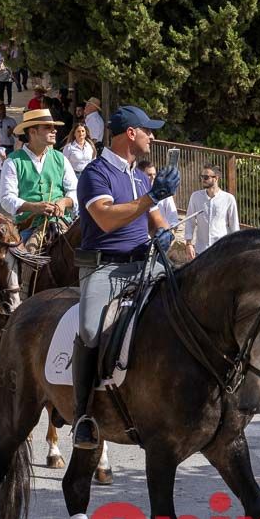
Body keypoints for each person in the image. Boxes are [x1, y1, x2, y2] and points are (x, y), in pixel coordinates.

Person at [72, 105, 177, 449]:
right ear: (131, 134)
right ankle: (83, 414)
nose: (153, 137)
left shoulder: (140, 176)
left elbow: (154, 219)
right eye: (148, 131)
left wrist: (164, 234)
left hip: (144, 262)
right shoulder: (95, 173)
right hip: (104, 267)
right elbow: (104, 218)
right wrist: (151, 197)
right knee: (89, 330)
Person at [0, 108, 79, 247]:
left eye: (54, 127)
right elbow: (6, 198)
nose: (54, 131)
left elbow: (75, 190)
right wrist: (33, 207)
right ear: (32, 132)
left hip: (62, 223)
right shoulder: (13, 161)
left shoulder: (60, 158)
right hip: (28, 226)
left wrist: (64, 202)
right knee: (26, 258)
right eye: (48, 128)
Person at [183, 165, 239, 259]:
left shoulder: (228, 199)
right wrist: (188, 243)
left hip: (221, 250)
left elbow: (234, 226)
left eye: (206, 177)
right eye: (201, 177)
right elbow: (189, 221)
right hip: (201, 250)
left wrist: (235, 248)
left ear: (216, 178)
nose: (203, 179)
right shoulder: (195, 197)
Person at [136, 160, 178, 227]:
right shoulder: (135, 191)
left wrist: (170, 230)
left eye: (154, 174)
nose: (153, 177)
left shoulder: (164, 193)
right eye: (149, 175)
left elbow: (173, 218)